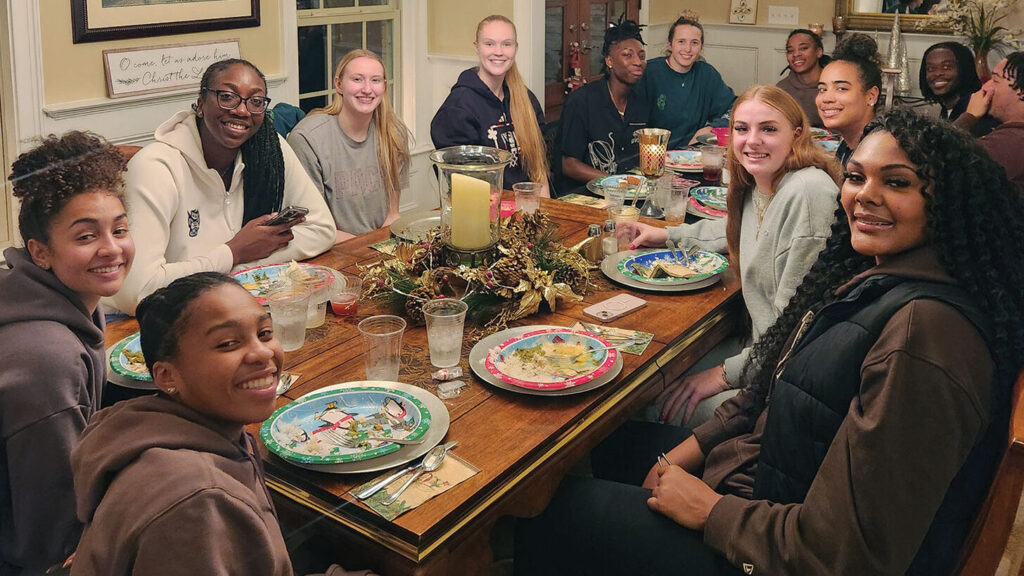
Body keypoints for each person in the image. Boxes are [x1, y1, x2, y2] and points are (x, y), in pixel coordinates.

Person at [515, 109, 1024, 576]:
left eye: (897, 182)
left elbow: (847, 554)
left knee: (549, 512)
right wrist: (687, 458)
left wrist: (711, 512)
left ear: (948, 202)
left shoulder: (925, 337)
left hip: (768, 545)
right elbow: (779, 399)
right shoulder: (878, 278)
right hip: (770, 483)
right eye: (856, 176)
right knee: (600, 448)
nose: (865, 195)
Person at [71, 273, 376, 576]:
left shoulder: (181, 426)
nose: (261, 352)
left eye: (265, 332)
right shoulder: (196, 500)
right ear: (166, 376)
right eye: (228, 343)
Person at [616, 85, 840, 427]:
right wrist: (667, 234)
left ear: (796, 135)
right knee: (646, 374)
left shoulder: (808, 193)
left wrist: (722, 375)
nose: (752, 141)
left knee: (650, 401)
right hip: (759, 350)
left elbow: (796, 332)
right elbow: (735, 229)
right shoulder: (763, 185)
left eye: (768, 129)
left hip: (785, 379)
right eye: (742, 129)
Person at [0, 131, 134, 575]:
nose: (111, 248)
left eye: (119, 229)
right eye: (85, 237)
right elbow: (49, 535)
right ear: (39, 251)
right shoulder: (47, 359)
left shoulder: (71, 303)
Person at [108, 58, 336, 315]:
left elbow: (322, 229)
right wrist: (233, 253)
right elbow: (138, 291)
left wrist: (242, 262)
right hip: (146, 323)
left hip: (227, 306)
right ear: (201, 103)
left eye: (256, 101)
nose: (242, 110)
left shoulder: (270, 149)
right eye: (227, 97)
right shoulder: (156, 167)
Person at [288, 49, 412, 242]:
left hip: (377, 246)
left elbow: (392, 215)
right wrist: (365, 248)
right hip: (328, 248)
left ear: (384, 86)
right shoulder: (308, 138)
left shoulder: (394, 134)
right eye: (357, 79)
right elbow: (312, 224)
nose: (367, 89)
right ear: (338, 84)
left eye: (375, 80)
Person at [430, 15, 550, 193]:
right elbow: (465, 187)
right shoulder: (458, 108)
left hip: (527, 209)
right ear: (476, 47)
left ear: (516, 48)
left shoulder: (526, 98)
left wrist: (545, 212)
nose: (499, 52)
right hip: (484, 211)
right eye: (489, 44)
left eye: (507, 44)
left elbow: (539, 171)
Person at [555, 17, 648, 194]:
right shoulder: (582, 101)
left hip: (629, 196)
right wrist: (615, 183)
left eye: (641, 56)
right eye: (628, 55)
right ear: (609, 61)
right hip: (585, 196)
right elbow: (568, 165)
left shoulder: (641, 103)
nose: (638, 61)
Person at [640, 11, 736, 149]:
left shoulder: (707, 74)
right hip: (653, 154)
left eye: (694, 43)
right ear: (670, 44)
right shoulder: (649, 72)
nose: (688, 49)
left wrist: (711, 128)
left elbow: (734, 109)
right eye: (681, 42)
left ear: (701, 47)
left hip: (693, 155)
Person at [953, 52, 1024, 196]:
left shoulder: (1009, 142)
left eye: (996, 80)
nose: (986, 86)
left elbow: (934, 161)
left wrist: (969, 116)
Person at [816, 34, 882, 165]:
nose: (827, 99)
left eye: (841, 88)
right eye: (822, 89)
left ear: (871, 96)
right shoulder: (848, 146)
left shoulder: (877, 154)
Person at [776, 29, 830, 128]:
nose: (796, 54)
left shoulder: (835, 85)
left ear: (818, 52)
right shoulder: (782, 89)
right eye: (790, 51)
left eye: (803, 48)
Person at [919, 42, 982, 123]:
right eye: (931, 69)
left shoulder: (976, 110)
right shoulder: (946, 109)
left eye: (946, 67)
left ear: (964, 69)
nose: (938, 73)